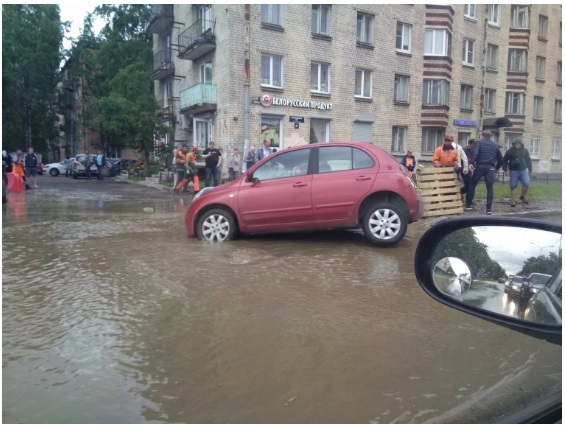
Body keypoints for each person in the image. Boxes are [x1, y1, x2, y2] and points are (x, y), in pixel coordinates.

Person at [464, 130, 504, 215]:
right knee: (490, 188)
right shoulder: (495, 145)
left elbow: (475, 154)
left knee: (472, 184)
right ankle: (488, 209)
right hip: (490, 168)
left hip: (480, 166)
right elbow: (501, 159)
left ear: (482, 136)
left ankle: (468, 205)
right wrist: (496, 168)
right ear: (490, 136)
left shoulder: (479, 142)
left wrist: (471, 163)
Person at [502, 138, 533, 207]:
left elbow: (528, 160)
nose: (518, 146)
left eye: (519, 144)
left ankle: (523, 196)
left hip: (523, 170)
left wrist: (530, 170)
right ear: (514, 144)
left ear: (521, 145)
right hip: (513, 171)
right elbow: (505, 161)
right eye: (516, 144)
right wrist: (505, 170)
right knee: (513, 186)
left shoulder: (525, 151)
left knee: (526, 183)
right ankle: (513, 201)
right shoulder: (509, 151)